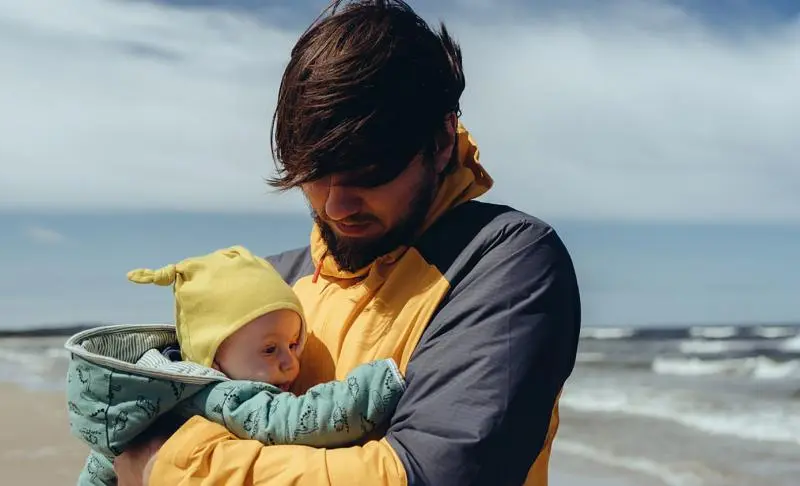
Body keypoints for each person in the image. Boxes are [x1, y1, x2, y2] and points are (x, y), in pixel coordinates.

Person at [114, 0, 581, 485]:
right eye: (314, 177)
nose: (335, 206)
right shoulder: (273, 284)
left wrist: (169, 466)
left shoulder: (504, 262)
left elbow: (428, 474)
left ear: (441, 141)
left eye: (369, 173)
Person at [65, 246, 405, 485]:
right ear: (213, 356)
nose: (291, 363)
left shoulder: (157, 391)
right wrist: (377, 384)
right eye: (270, 350)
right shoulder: (223, 396)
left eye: (293, 344)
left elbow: (99, 467)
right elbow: (297, 420)